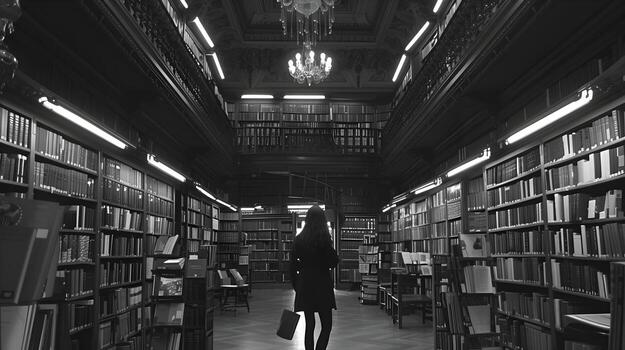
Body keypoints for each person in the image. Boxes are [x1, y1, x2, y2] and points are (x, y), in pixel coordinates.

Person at [290, 205, 339, 350]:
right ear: (322, 220)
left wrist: (296, 286)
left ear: (307, 219)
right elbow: (333, 262)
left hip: (305, 285)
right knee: (327, 325)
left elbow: (292, 265)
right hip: (322, 285)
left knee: (309, 325)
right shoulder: (324, 239)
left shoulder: (299, 239)